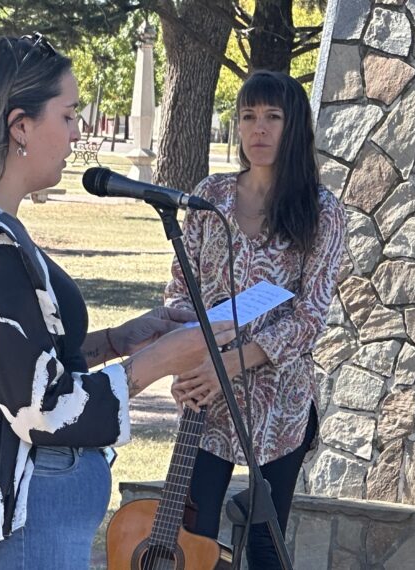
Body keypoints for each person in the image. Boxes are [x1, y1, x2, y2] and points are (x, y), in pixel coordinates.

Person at [0, 34, 234, 570]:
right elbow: (43, 409)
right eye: (69, 115)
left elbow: (9, 365)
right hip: (9, 530)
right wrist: (163, 359)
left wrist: (119, 341)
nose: (78, 133)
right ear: (20, 126)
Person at [164, 70, 347, 567]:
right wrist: (184, 364)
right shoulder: (209, 197)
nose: (258, 129)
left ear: (294, 127)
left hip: (279, 400)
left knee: (266, 542)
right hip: (205, 396)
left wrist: (230, 365)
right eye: (248, 116)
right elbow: (181, 292)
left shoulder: (321, 210)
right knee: (190, 538)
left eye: (272, 116)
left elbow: (310, 316)